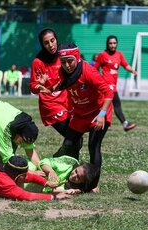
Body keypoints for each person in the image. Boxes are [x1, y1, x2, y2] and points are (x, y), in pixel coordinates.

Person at [37, 43, 114, 192]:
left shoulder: (89, 72)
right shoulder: (63, 71)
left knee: (93, 146)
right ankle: (65, 172)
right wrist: (45, 88)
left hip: (98, 113)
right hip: (80, 114)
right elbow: (59, 85)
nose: (67, 65)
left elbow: (109, 93)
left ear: (77, 58)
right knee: (69, 142)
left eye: (70, 61)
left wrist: (102, 114)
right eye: (64, 61)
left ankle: (92, 185)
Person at [30, 28, 69, 138]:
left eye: (52, 40)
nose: (51, 45)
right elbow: (33, 87)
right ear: (42, 45)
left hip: (67, 101)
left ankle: (58, 155)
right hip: (51, 105)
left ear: (56, 39)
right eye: (46, 43)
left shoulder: (63, 55)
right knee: (73, 137)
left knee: (76, 139)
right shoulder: (38, 62)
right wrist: (40, 84)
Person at [95, 35, 137, 132]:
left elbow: (125, 65)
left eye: (114, 43)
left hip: (113, 85)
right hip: (105, 85)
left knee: (109, 105)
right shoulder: (102, 55)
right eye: (110, 43)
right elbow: (95, 69)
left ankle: (106, 124)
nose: (112, 45)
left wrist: (133, 71)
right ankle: (124, 123)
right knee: (115, 104)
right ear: (107, 44)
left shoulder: (119, 54)